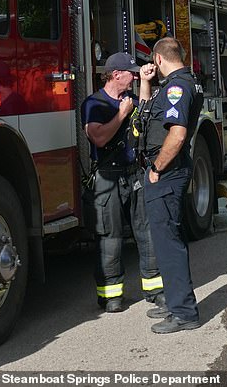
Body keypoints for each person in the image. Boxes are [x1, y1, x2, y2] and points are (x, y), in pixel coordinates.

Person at [80, 52, 164, 313]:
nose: (134, 76)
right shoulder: (93, 104)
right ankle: (111, 295)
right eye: (131, 73)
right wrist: (121, 114)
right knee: (109, 236)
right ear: (115, 75)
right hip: (107, 177)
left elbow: (148, 112)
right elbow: (99, 138)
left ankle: (155, 290)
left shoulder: (132, 99)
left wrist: (147, 82)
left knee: (147, 232)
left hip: (133, 173)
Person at [139, 37, 204, 333]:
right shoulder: (180, 83)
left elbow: (176, 136)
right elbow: (148, 113)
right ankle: (175, 301)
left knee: (168, 243)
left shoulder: (177, 88)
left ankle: (184, 312)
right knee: (167, 240)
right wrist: (146, 83)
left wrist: (156, 168)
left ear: (159, 59)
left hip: (166, 173)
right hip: (169, 172)